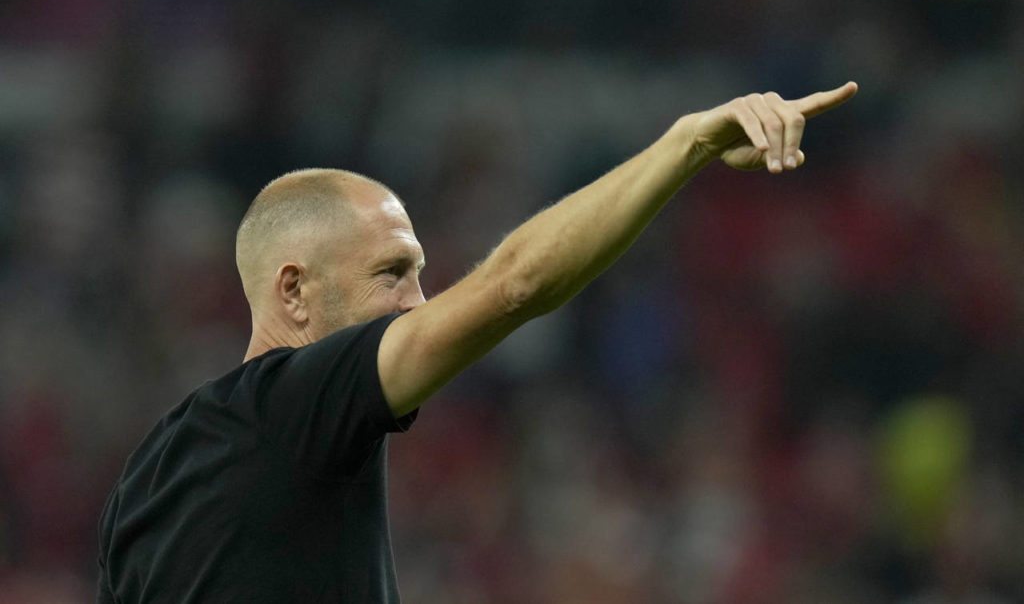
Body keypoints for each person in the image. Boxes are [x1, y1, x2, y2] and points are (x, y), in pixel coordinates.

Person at [96, 82, 858, 602]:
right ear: (292, 290)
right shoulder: (290, 403)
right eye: (392, 273)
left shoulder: (149, 481)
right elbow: (515, 286)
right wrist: (685, 145)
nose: (418, 302)